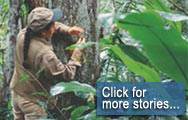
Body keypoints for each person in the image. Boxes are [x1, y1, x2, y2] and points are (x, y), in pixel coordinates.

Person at [10, 7, 85, 120]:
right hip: (32, 103)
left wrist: (67, 29)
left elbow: (47, 27)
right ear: (44, 32)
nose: (55, 26)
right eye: (53, 25)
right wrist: (77, 53)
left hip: (17, 94)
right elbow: (67, 74)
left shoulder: (24, 34)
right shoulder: (45, 54)